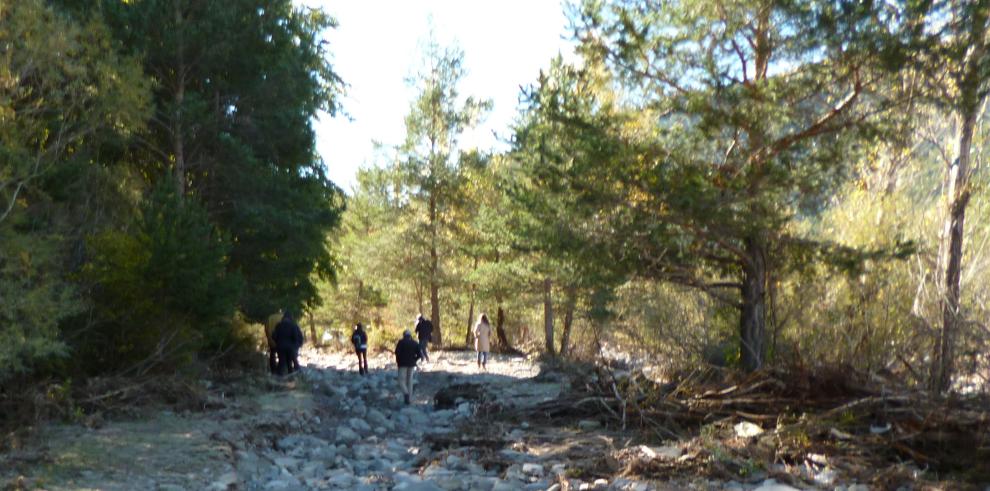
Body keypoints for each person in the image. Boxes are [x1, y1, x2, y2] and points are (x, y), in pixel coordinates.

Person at [273, 311, 304, 375]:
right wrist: (296, 345)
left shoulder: (278, 325)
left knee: (281, 362)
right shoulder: (293, 325)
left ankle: (280, 377)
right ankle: (292, 376)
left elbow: (274, 336)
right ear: (291, 318)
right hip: (290, 347)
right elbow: (296, 336)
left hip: (280, 346)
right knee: (290, 361)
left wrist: (278, 342)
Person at [394, 330, 421, 404]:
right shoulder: (415, 343)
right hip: (411, 364)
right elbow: (419, 355)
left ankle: (406, 394)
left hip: (402, 364)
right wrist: (414, 360)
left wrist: (398, 362)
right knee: (410, 381)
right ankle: (410, 399)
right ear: (410, 335)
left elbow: (397, 353)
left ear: (404, 335)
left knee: (401, 381)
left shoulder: (401, 342)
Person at [264, 310, 283, 374]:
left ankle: (273, 370)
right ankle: (280, 370)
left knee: (272, 354)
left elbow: (266, 328)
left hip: (272, 338)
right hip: (281, 339)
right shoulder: (283, 317)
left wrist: (268, 338)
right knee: (281, 355)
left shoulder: (270, 317)